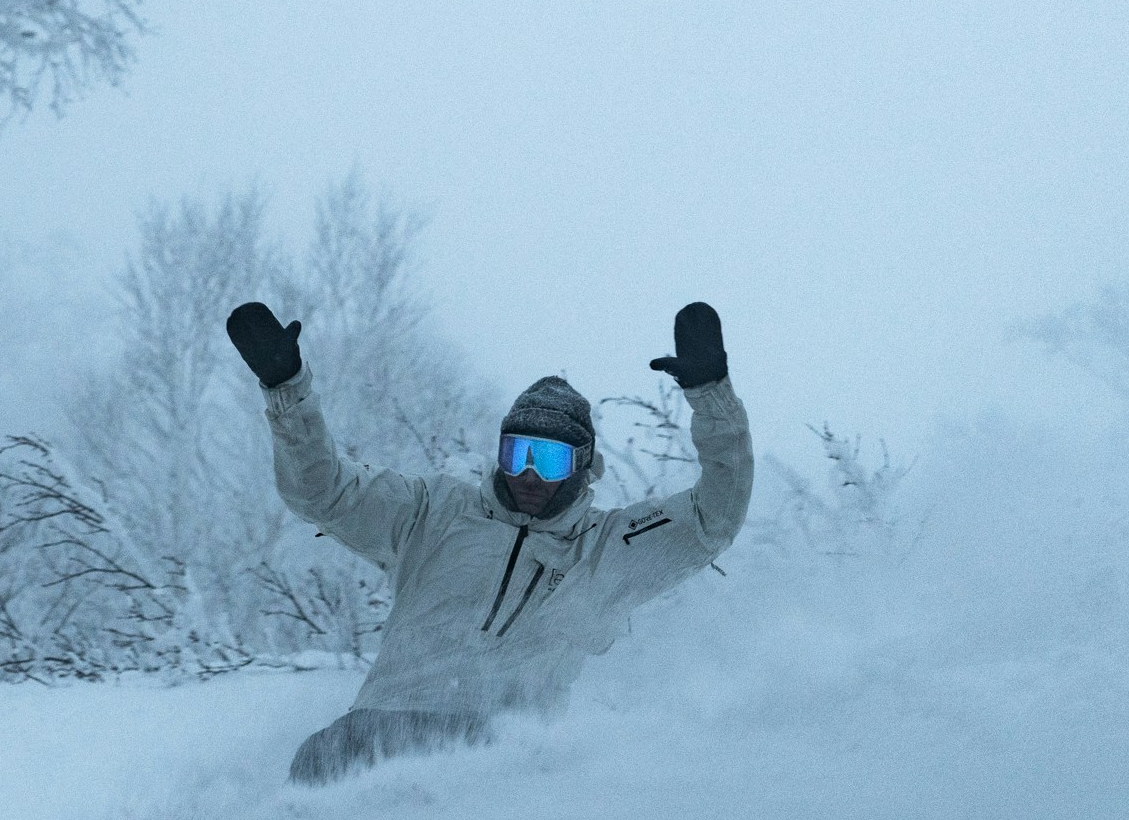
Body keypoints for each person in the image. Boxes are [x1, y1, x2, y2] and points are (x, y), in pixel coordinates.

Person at [222, 298, 753, 784]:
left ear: (582, 467)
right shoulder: (432, 511)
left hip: (498, 757)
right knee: (317, 758)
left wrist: (711, 397)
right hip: (381, 730)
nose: (527, 473)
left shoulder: (608, 547)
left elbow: (715, 517)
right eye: (517, 451)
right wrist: (287, 389)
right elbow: (323, 491)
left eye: (548, 459)